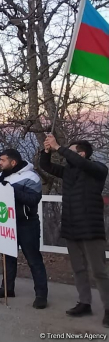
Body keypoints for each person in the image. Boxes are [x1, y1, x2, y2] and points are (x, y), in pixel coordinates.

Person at [41, 135, 109, 327]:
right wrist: (46, 151)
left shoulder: (97, 169)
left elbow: (81, 163)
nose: (66, 156)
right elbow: (47, 167)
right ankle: (84, 302)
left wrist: (58, 147)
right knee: (78, 269)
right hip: (72, 227)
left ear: (82, 153)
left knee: (99, 271)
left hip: (90, 228)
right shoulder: (69, 172)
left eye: (71, 152)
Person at [0, 149, 48, 309]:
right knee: (8, 257)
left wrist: (12, 189)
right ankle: (7, 288)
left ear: (13, 162)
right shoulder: (0, 176)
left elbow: (33, 200)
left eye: (2, 160)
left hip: (26, 223)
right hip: (7, 222)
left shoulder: (31, 177)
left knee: (33, 259)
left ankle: (41, 295)